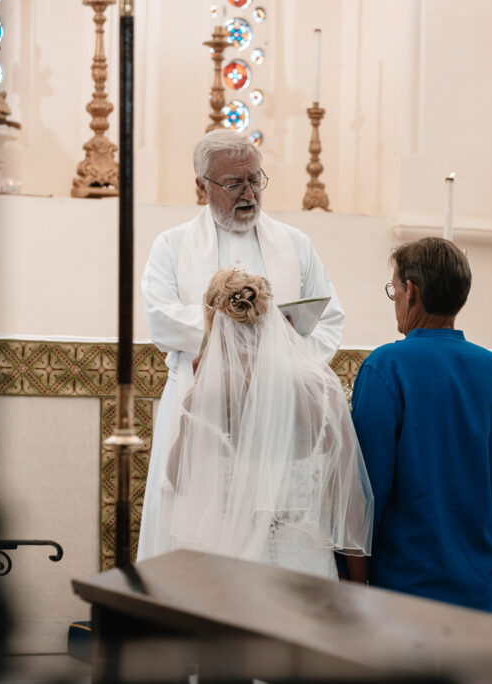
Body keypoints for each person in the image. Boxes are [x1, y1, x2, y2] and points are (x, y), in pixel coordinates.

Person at [137, 130, 344, 561]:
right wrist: (239, 332)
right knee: (196, 521)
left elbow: (328, 319)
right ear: (202, 186)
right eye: (234, 183)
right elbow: (160, 318)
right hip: (201, 403)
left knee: (278, 531)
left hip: (280, 407)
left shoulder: (294, 243)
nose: (249, 193)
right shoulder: (172, 246)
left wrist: (281, 355)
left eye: (255, 180)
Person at [146, 269, 372, 578]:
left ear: (214, 325)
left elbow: (176, 481)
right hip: (308, 572)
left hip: (233, 573)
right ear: (273, 320)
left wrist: (198, 394)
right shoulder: (322, 392)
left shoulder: (204, 397)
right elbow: (352, 507)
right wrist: (359, 590)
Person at [350, 237, 492, 612]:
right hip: (477, 590)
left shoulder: (386, 368)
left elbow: (366, 490)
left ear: (411, 291)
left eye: (394, 289)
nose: (395, 300)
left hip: (403, 590)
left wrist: (353, 578)